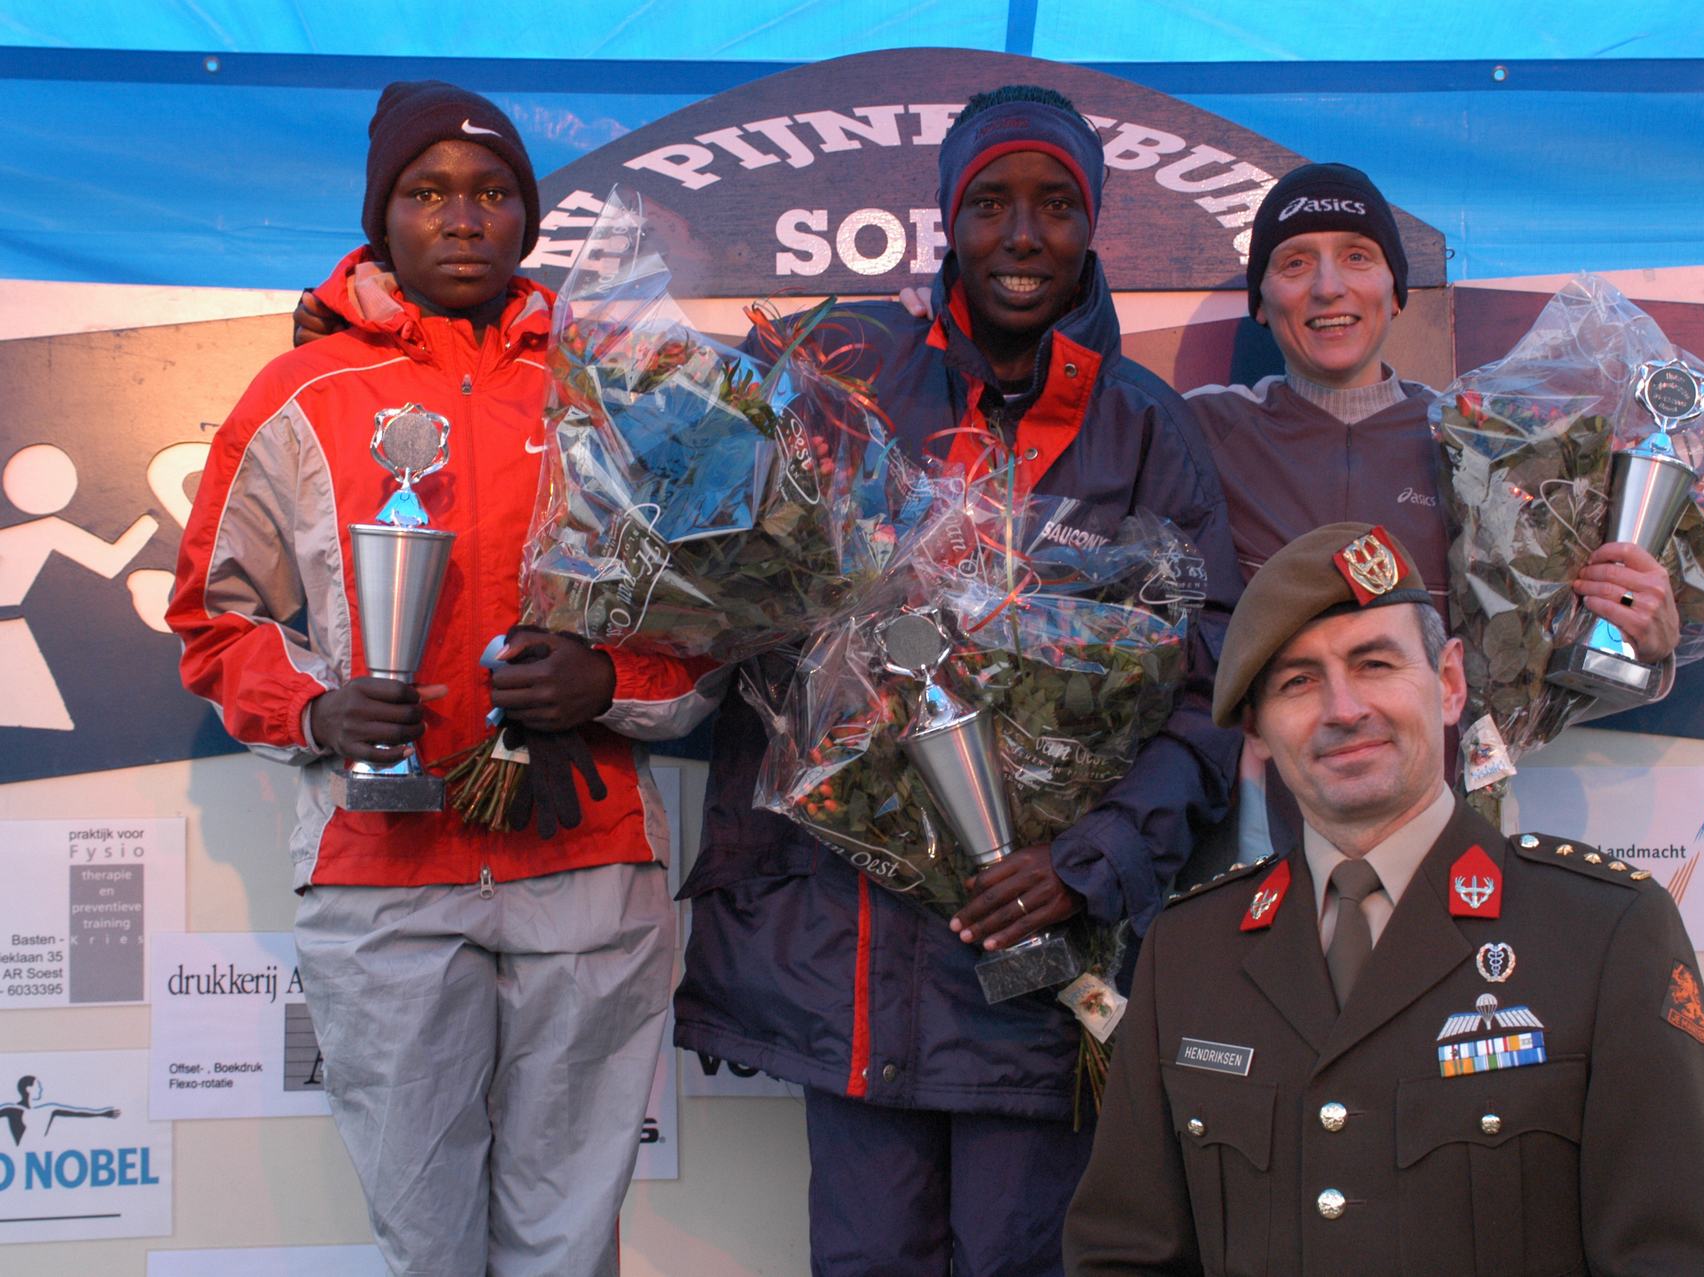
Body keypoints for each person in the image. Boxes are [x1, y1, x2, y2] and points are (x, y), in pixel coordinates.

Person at [672, 85, 1243, 1275]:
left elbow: (1206, 695)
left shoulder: (1147, 431)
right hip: (856, 958)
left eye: (1055, 205)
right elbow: (739, 611)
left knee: (1021, 1255)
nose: (1022, 235)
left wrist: (1088, 862)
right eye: (990, 203)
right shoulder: (849, 381)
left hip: (1036, 965)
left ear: (1093, 225)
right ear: (948, 219)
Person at [169, 81, 711, 1277]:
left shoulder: (615, 381)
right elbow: (211, 620)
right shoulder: (300, 394)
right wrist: (318, 708)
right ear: (383, 215)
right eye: (428, 193)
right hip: (385, 874)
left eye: (492, 192)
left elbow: (719, 620)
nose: (462, 218)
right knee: (428, 1242)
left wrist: (606, 677)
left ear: (527, 217)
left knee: (568, 1242)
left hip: (583, 861)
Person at [1063, 522, 1704, 1275]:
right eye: (1298, 682)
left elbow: (1678, 1257)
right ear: (1256, 730)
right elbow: (1124, 1253)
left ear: (1449, 683)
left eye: (1375, 663)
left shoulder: (1602, 931)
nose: (1343, 708)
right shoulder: (1191, 951)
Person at [1180, 161, 1681, 872]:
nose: (1328, 286)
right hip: (1257, 868)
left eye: (1358, 257)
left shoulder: (1483, 444)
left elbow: (1540, 656)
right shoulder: (1199, 433)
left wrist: (1641, 642)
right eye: (1294, 263)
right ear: (1260, 300)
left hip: (1445, 855)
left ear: (1397, 291)